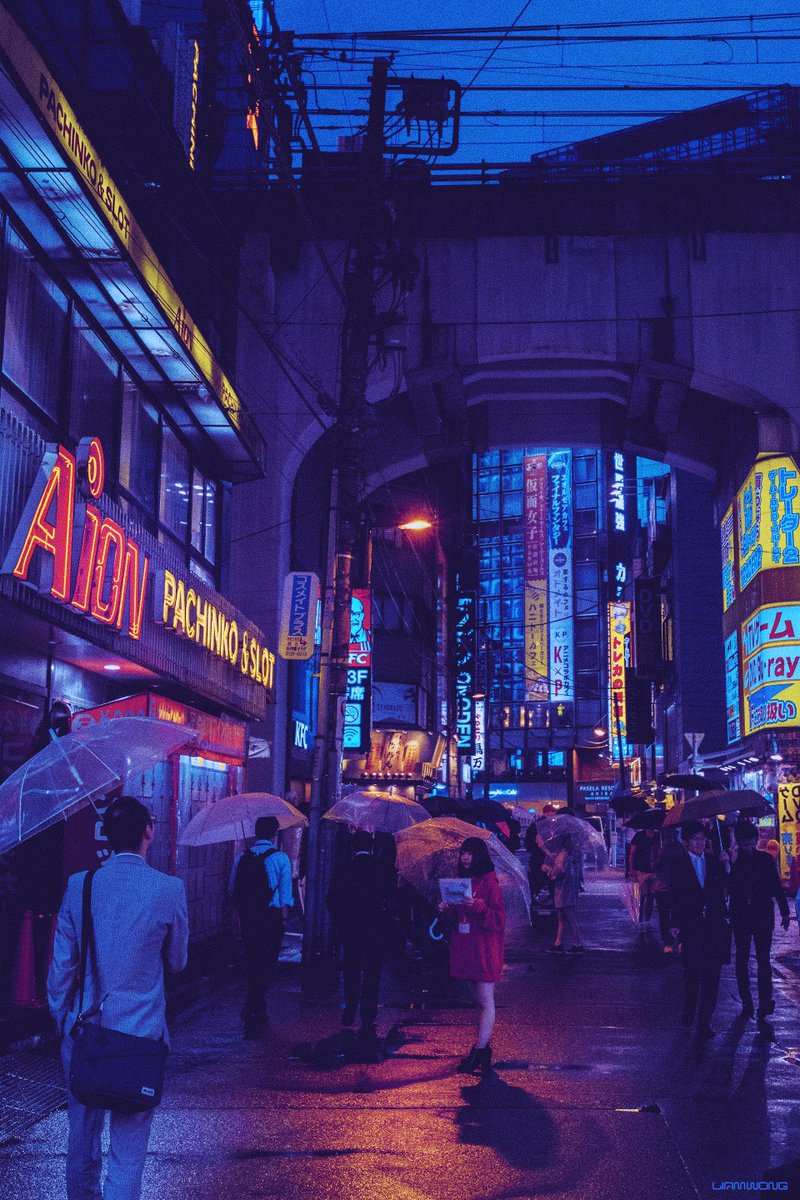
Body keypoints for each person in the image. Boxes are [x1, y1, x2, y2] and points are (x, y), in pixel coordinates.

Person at [47, 796, 189, 1200]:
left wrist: (61, 1022)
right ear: (148, 831)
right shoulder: (168, 889)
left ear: (107, 836)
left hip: (85, 1034)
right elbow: (178, 962)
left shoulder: (81, 885)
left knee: (82, 1139)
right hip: (140, 1040)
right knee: (128, 1151)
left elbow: (62, 966)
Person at [438, 837, 505, 1074]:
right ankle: (484, 1047)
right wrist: (447, 908)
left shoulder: (491, 885)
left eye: (469, 853)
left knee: (485, 1000)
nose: (464, 858)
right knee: (476, 1000)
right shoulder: (461, 883)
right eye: (462, 853)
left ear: (479, 856)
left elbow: (497, 920)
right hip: (465, 948)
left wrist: (476, 905)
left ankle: (478, 1051)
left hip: (484, 949)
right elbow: (456, 920)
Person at [326, 829, 395, 1045]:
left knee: (351, 969)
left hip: (351, 928)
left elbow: (332, 898)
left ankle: (350, 1007)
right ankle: (368, 1016)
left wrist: (343, 914)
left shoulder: (344, 868)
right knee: (372, 973)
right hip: (375, 928)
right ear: (371, 847)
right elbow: (390, 896)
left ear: (352, 847)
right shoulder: (381, 868)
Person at [232, 814, 293, 1039]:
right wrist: (284, 918)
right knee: (267, 961)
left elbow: (234, 889)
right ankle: (257, 1004)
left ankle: (253, 1002)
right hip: (271, 917)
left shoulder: (242, 858)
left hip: (250, 917)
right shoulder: (281, 859)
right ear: (274, 834)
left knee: (252, 958)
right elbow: (286, 894)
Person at [668, 820, 730, 1039]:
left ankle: (705, 1021)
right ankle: (690, 1008)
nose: (699, 842)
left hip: (713, 926)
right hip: (691, 926)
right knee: (693, 973)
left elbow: (728, 887)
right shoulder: (678, 864)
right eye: (695, 839)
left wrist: (726, 865)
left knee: (712, 976)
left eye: (702, 838)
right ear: (686, 842)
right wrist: (674, 924)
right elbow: (674, 896)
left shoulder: (714, 862)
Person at [728, 820, 790, 1020]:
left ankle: (765, 1001)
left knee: (763, 959)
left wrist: (785, 911)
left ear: (755, 840)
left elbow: (775, 886)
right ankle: (747, 1001)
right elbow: (729, 888)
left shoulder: (764, 860)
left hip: (762, 915)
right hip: (741, 916)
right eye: (743, 843)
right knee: (742, 958)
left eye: (750, 843)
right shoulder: (733, 862)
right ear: (738, 842)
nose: (747, 847)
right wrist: (728, 865)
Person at [544, 834, 583, 953]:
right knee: (563, 916)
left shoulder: (563, 855)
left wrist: (549, 871)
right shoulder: (574, 853)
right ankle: (558, 942)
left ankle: (577, 944)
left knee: (568, 916)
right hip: (570, 888)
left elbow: (558, 872)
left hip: (563, 889)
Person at [628, 826, 658, 928]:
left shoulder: (658, 837)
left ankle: (647, 919)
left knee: (651, 895)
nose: (652, 829)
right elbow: (632, 853)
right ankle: (640, 919)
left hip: (654, 871)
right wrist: (631, 869)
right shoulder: (639, 836)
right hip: (641, 870)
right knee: (641, 895)